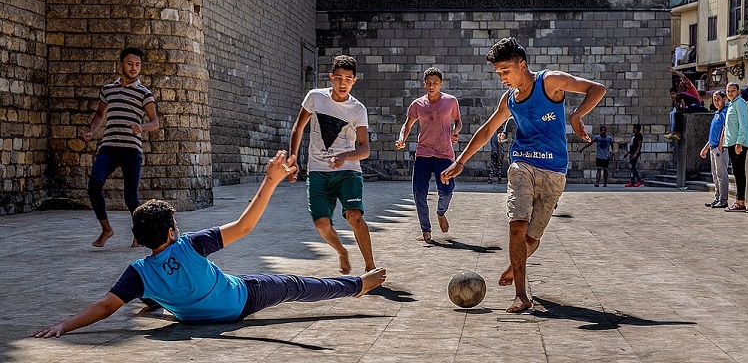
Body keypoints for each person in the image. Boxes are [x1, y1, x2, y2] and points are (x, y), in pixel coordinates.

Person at [31, 151, 387, 338]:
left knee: (152, 285)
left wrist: (64, 325)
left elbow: (105, 307)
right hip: (238, 301)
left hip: (189, 317)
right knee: (293, 285)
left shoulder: (137, 271)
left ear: (137, 239)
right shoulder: (189, 244)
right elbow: (245, 225)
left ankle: (155, 301)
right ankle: (358, 285)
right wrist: (271, 179)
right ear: (172, 231)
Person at [440, 37, 606, 313]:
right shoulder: (510, 100)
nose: (502, 78)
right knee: (517, 224)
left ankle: (516, 262)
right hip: (522, 164)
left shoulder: (549, 82)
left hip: (555, 170)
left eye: (506, 71)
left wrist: (576, 116)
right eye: (498, 73)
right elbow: (487, 130)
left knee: (531, 239)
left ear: (522, 64)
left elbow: (596, 89)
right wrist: (460, 161)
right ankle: (521, 294)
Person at [289, 55, 376, 274]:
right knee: (321, 224)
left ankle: (370, 267)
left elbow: (365, 149)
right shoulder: (315, 98)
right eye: (338, 78)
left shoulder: (358, 109)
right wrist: (293, 159)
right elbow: (298, 128)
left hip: (348, 172)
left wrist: (345, 156)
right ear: (331, 78)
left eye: (348, 78)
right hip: (318, 171)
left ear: (354, 80)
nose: (342, 83)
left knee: (355, 217)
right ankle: (341, 252)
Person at [82, 47, 159, 247]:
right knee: (94, 185)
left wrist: (141, 127)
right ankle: (106, 228)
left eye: (138, 65)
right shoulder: (108, 90)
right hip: (108, 147)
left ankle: (140, 234)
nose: (134, 68)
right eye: (130, 64)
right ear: (121, 65)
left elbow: (155, 122)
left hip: (132, 150)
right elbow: (100, 115)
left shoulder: (145, 93)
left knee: (131, 198)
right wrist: (91, 131)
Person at [395, 67, 463, 241]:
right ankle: (425, 230)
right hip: (424, 153)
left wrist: (456, 131)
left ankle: (441, 213)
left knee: (447, 191)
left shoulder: (450, 101)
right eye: (429, 83)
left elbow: (458, 121)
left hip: (445, 154)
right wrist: (402, 138)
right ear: (424, 84)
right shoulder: (417, 104)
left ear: (441, 84)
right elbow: (407, 125)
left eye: (435, 83)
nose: (432, 86)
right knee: (418, 193)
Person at [722, 82, 748, 212]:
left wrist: (739, 142)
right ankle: (738, 201)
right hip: (731, 143)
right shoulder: (731, 104)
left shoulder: (740, 104)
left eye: (733, 91)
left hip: (738, 144)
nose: (730, 93)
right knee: (736, 172)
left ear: (738, 91)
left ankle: (740, 202)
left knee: (739, 172)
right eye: (728, 91)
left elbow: (743, 125)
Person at [700, 90, 729, 209]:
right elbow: (713, 134)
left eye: (718, 99)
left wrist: (720, 146)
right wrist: (706, 148)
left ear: (724, 99)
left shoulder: (725, 112)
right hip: (713, 147)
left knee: (722, 174)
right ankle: (717, 197)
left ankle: (723, 200)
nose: (716, 102)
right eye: (714, 100)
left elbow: (725, 129)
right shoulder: (717, 113)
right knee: (715, 175)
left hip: (719, 148)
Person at [488, 117, 516, 184]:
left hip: (493, 152)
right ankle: (499, 179)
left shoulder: (493, 136)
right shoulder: (511, 120)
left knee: (493, 167)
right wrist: (500, 154)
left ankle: (490, 179)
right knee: (499, 167)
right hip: (511, 152)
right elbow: (499, 145)